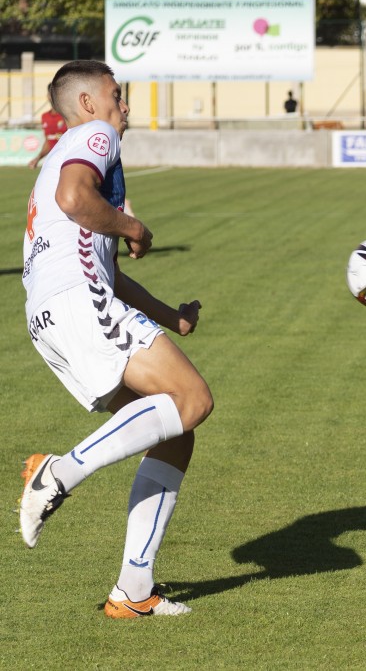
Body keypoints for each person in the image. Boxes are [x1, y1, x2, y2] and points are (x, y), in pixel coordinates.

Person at [18, 60, 214, 618]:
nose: (124, 106)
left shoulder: (63, 152)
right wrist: (132, 227)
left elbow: (107, 272)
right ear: (87, 104)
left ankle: (133, 592)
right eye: (116, 95)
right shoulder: (94, 135)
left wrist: (170, 317)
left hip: (53, 315)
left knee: (176, 432)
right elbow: (76, 200)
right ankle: (57, 472)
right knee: (192, 400)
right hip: (79, 302)